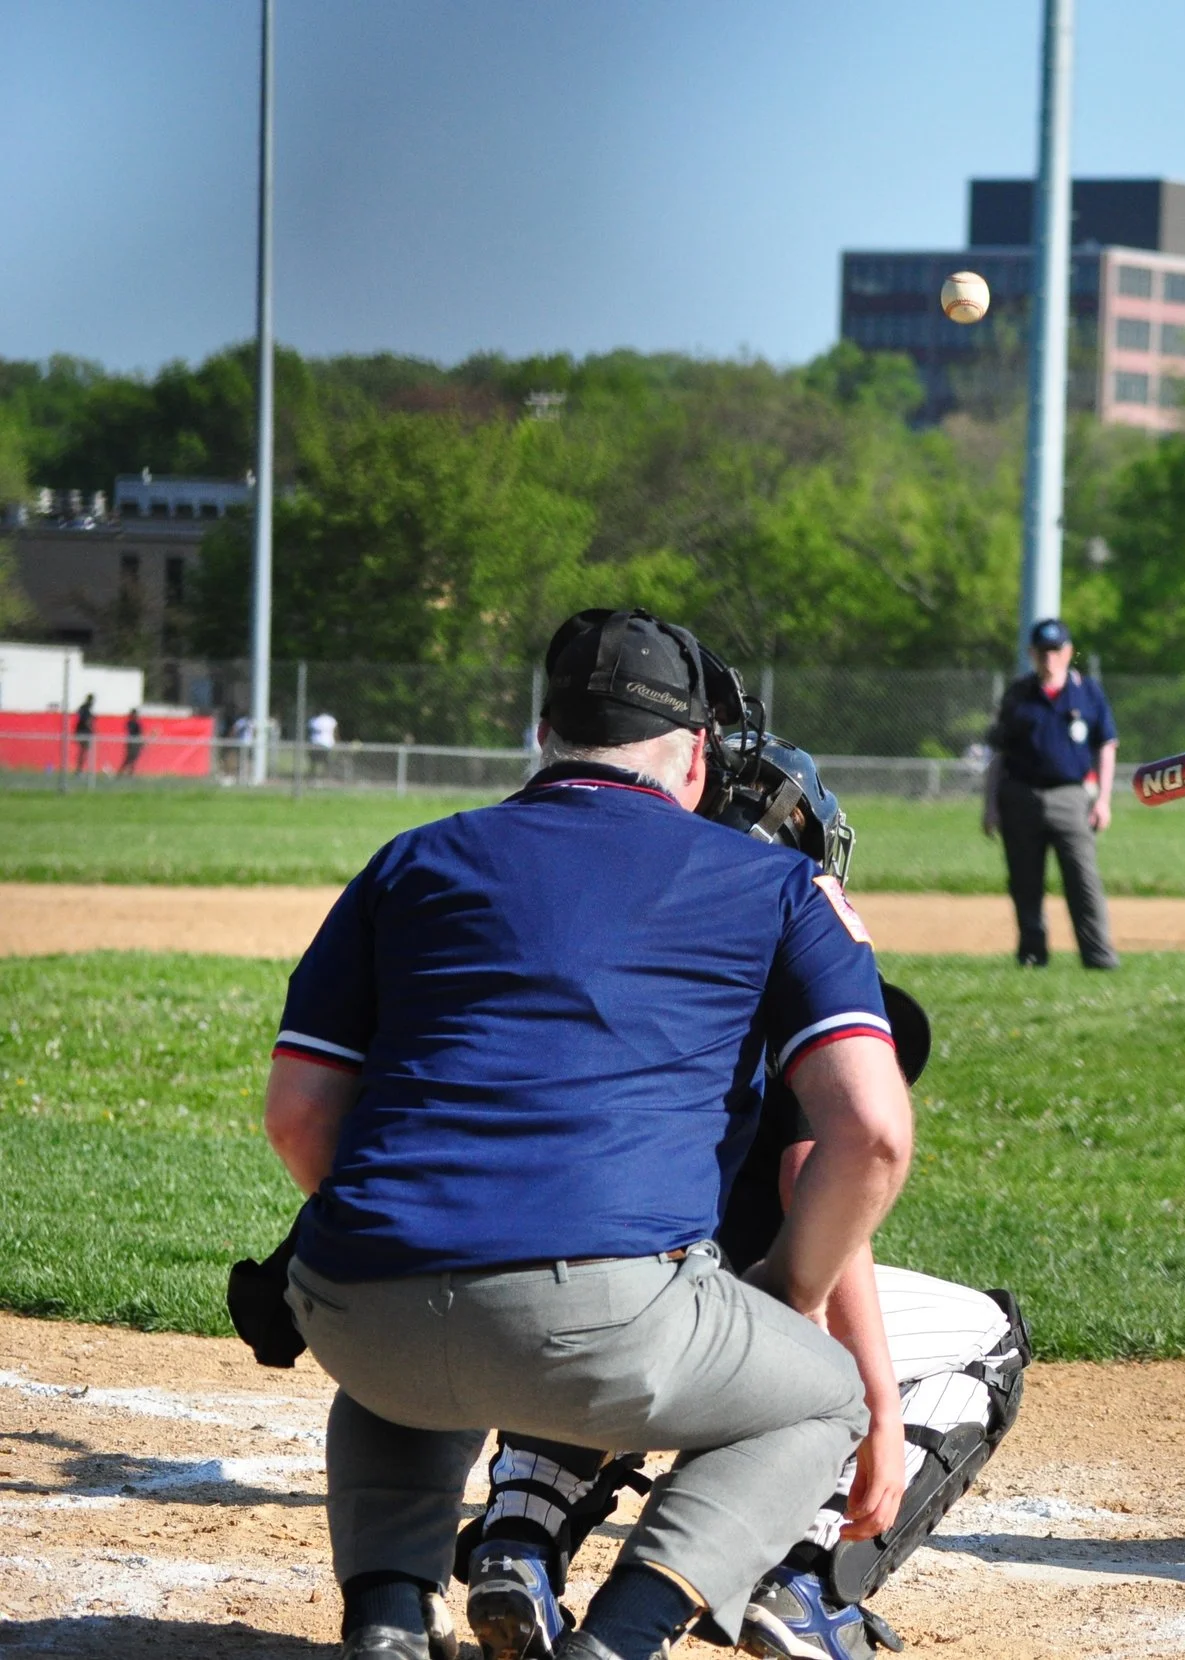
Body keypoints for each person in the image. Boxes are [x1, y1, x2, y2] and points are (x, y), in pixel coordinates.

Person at [262, 608, 914, 1660]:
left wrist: (386, 1224)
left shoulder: (411, 859)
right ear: (696, 754)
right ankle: (623, 1636)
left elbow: (297, 1110)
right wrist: (789, 1294)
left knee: (410, 1342)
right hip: (601, 1318)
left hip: (353, 1304)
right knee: (821, 1394)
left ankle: (384, 1613)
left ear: (543, 734)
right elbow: (872, 1135)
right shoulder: (776, 883)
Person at [981, 618, 1119, 970]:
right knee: (1025, 883)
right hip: (1021, 795)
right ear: (1032, 654)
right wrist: (990, 805)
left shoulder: (1087, 692)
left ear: (1068, 652)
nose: (1049, 658)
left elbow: (1106, 744)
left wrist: (1103, 799)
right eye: (1042, 652)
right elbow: (998, 753)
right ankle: (1032, 955)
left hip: (1071, 797)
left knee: (1083, 879)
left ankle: (1098, 957)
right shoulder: (1018, 694)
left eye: (1056, 651)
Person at [309, 709, 339, 779]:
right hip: (327, 744)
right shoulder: (330, 720)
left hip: (316, 743)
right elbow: (336, 731)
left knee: (315, 762)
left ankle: (315, 776)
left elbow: (310, 732)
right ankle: (326, 776)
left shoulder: (314, 720)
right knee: (326, 761)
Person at [118, 705, 145, 776]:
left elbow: (140, 734)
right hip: (131, 744)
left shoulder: (137, 724)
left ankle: (130, 774)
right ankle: (120, 773)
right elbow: (130, 733)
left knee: (133, 760)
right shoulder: (130, 723)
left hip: (136, 744)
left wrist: (141, 743)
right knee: (128, 759)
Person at [72, 693, 95, 774]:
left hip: (84, 732)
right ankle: (79, 770)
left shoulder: (85, 708)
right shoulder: (85, 708)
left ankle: (80, 769)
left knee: (83, 752)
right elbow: (85, 721)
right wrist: (92, 729)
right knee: (83, 752)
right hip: (83, 733)